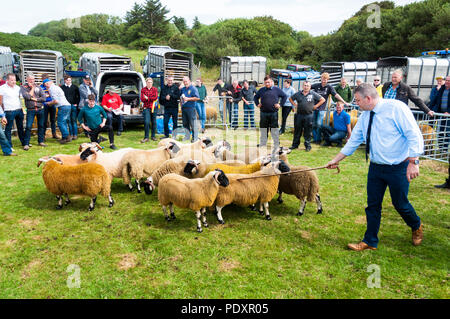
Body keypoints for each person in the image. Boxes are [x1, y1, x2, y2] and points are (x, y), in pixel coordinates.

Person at [326, 83, 424, 251]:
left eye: (357, 100)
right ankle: (370, 241)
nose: (356, 103)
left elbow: (413, 134)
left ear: (368, 98)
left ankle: (416, 225)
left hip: (398, 167)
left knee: (400, 203)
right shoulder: (365, 116)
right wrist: (336, 159)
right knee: (372, 205)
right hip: (376, 168)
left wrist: (413, 162)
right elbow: (354, 140)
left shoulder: (396, 109)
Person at [311, 73, 349, 144]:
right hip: (314, 108)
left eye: (325, 79)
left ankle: (318, 140)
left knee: (319, 124)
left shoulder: (329, 87)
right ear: (321, 78)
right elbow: (307, 88)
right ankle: (315, 139)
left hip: (322, 109)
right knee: (313, 124)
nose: (324, 80)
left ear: (327, 80)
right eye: (323, 78)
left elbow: (336, 95)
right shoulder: (316, 85)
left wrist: (344, 101)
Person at [289, 81, 325, 151]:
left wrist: (316, 106)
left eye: (307, 86)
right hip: (299, 115)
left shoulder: (313, 94)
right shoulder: (298, 93)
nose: (306, 87)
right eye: (305, 85)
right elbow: (290, 98)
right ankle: (295, 145)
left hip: (309, 116)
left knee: (307, 132)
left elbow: (323, 99)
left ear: (310, 87)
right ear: (303, 86)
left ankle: (308, 146)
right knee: (297, 131)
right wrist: (295, 104)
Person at [254, 76, 287, 149]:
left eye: (268, 82)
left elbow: (284, 96)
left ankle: (276, 144)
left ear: (271, 82)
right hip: (263, 113)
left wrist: (280, 104)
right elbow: (255, 97)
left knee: (274, 130)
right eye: (266, 82)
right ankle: (263, 144)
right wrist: (257, 104)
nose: (267, 84)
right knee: (263, 129)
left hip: (273, 113)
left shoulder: (277, 89)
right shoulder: (261, 90)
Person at [20, 73, 47, 150]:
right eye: (30, 79)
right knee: (28, 126)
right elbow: (27, 97)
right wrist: (32, 89)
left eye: (33, 79)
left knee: (41, 125)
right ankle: (26, 143)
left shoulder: (38, 86)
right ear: (27, 79)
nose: (32, 81)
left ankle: (41, 141)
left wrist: (35, 99)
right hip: (30, 110)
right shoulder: (23, 87)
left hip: (40, 109)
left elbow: (44, 98)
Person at [0, 73, 26, 149]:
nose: (14, 82)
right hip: (9, 111)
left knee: (20, 127)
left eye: (14, 80)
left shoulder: (18, 88)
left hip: (19, 109)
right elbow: (0, 102)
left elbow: (20, 99)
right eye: (12, 80)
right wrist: (2, 114)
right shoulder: (2, 88)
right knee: (8, 129)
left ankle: (24, 143)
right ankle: (9, 146)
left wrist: (23, 109)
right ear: (7, 80)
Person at [43, 78, 72, 144]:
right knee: (64, 122)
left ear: (47, 83)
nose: (46, 87)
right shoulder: (56, 87)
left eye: (45, 85)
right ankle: (66, 137)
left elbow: (56, 101)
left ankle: (65, 137)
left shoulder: (52, 89)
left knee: (60, 122)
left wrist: (49, 103)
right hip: (67, 105)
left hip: (63, 106)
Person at [430, 75, 450, 153]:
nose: (447, 82)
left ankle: (445, 149)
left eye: (449, 80)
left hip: (448, 114)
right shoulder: (442, 88)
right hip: (441, 113)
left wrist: (448, 111)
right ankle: (441, 148)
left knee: (447, 132)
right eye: (446, 80)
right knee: (440, 130)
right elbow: (435, 99)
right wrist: (429, 109)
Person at [180, 76, 200, 142]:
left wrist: (188, 99)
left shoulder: (193, 88)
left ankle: (195, 138)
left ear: (189, 81)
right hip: (184, 108)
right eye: (184, 81)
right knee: (185, 124)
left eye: (186, 81)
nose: (185, 83)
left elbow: (197, 98)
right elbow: (181, 97)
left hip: (191, 108)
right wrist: (181, 104)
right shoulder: (183, 89)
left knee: (193, 124)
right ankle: (187, 136)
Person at [61, 75, 80, 140]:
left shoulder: (75, 87)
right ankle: (71, 134)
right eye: (67, 80)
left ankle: (75, 134)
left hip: (73, 106)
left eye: (70, 80)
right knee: (68, 121)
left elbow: (78, 96)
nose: (68, 81)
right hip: (66, 106)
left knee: (74, 120)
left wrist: (76, 104)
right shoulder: (62, 88)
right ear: (65, 81)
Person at [140, 78, 158, 142]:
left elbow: (155, 97)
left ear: (152, 83)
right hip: (146, 108)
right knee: (146, 122)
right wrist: (150, 98)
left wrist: (148, 98)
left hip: (153, 108)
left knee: (154, 122)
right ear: (146, 83)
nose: (149, 83)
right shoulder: (143, 89)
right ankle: (146, 137)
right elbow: (142, 99)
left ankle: (153, 136)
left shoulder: (155, 89)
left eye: (150, 82)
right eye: (148, 82)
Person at [41, 73, 57, 140]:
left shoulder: (52, 86)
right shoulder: (41, 87)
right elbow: (40, 95)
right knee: (44, 120)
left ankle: (54, 134)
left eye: (47, 79)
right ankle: (43, 135)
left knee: (53, 120)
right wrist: (45, 95)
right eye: (44, 79)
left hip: (52, 104)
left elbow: (55, 95)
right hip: (45, 105)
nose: (45, 81)